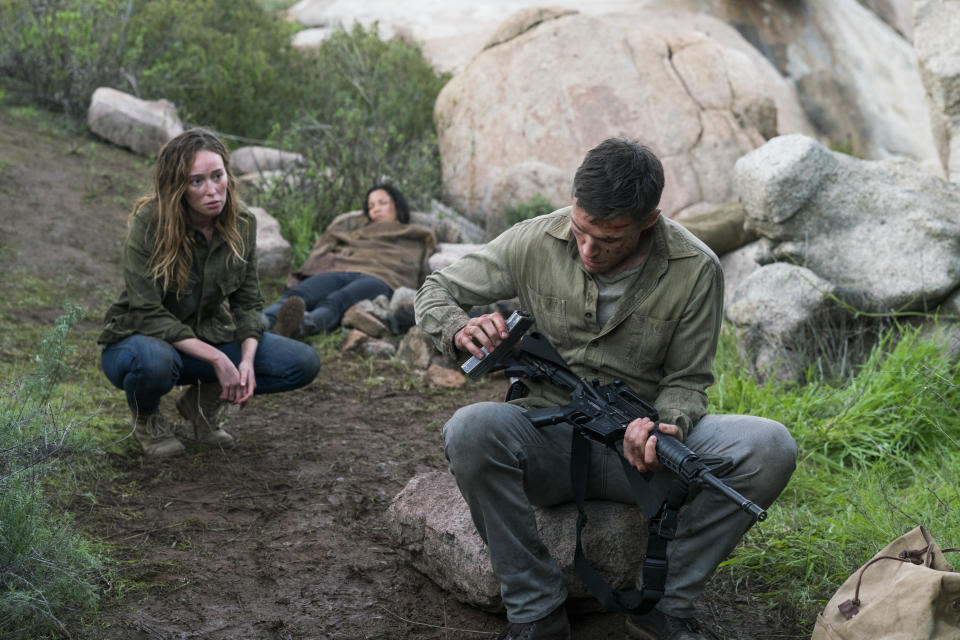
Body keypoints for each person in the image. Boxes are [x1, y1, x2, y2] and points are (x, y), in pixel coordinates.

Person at [414, 139, 797, 640]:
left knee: (770, 447)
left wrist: (666, 428)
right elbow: (434, 289)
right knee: (469, 428)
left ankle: (662, 604)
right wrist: (458, 329)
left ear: (649, 221)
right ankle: (535, 613)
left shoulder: (696, 267)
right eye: (580, 232)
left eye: (610, 239)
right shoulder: (532, 241)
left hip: (636, 451)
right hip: (544, 439)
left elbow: (687, 381)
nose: (589, 250)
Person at [99, 128, 321, 459]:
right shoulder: (150, 222)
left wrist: (244, 361)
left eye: (217, 176)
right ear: (177, 187)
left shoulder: (242, 222)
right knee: (155, 361)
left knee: (301, 362)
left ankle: (201, 405)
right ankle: (146, 418)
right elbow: (147, 311)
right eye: (196, 181)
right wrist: (218, 358)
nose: (212, 190)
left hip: (207, 335)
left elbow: (247, 303)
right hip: (140, 340)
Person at [263, 183, 436, 339]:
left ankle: (298, 328)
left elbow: (420, 268)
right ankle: (261, 323)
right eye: (370, 206)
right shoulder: (359, 230)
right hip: (342, 268)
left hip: (380, 277)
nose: (375, 209)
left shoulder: (416, 235)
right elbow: (331, 236)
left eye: (382, 203)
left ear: (397, 204)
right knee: (298, 294)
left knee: (336, 301)